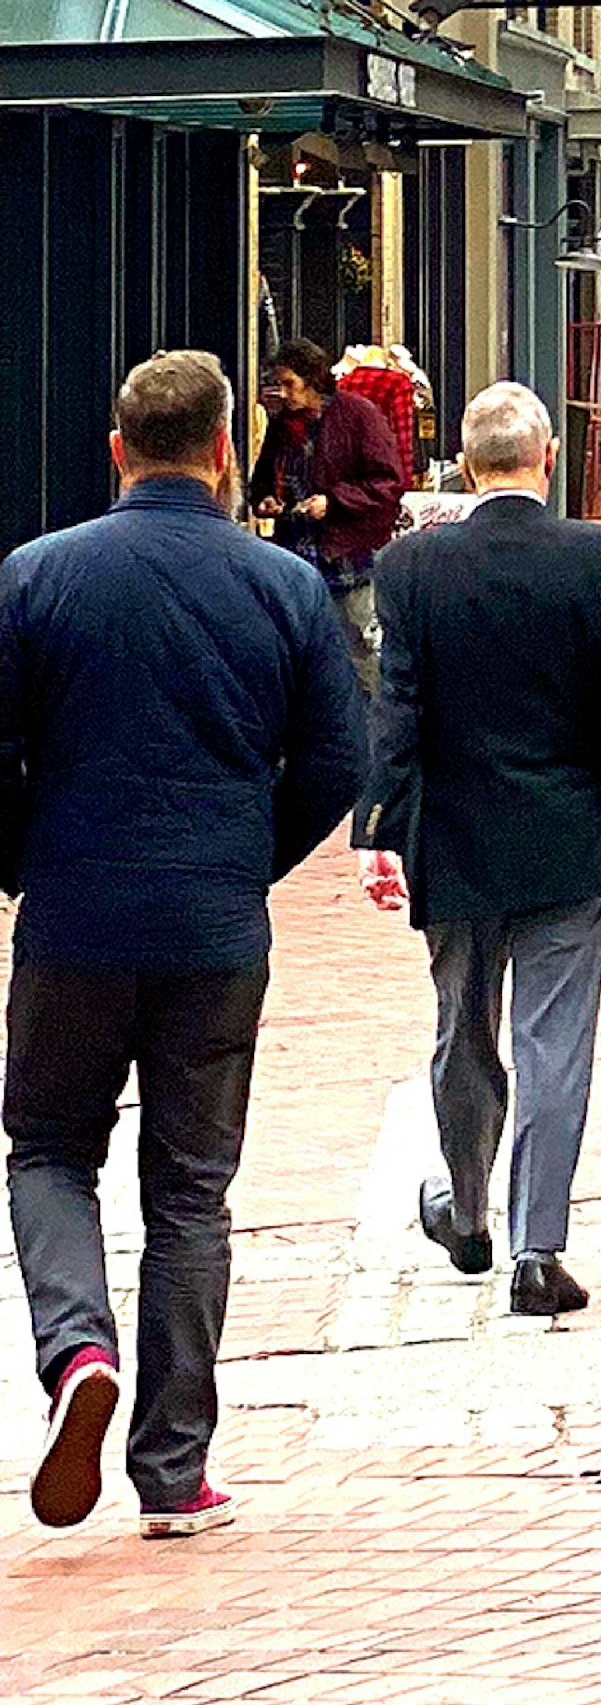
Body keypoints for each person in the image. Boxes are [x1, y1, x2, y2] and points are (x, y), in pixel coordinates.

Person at [0, 347, 366, 1539]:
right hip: (214, 926)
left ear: (118, 449)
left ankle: (76, 1347)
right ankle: (174, 1469)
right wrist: (245, 855)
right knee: (191, 1194)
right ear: (222, 451)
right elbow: (335, 761)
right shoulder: (280, 585)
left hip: (74, 917)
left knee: (50, 1144)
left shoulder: (37, 577)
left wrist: (26, 858)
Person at [357, 382, 601, 1320]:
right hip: (571, 838)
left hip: (453, 840)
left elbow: (396, 712)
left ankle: (466, 1210)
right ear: (549, 459)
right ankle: (538, 1246)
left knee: (463, 1027)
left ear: (462, 464)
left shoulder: (410, 568)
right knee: (553, 1043)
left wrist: (383, 827)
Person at [249, 336, 412, 690]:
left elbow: (389, 482)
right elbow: (261, 480)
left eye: (289, 383)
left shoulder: (357, 415)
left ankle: (367, 732)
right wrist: (264, 499)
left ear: (311, 380)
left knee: (357, 656)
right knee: (296, 657)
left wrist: (335, 502)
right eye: (278, 383)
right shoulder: (281, 426)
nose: (283, 392)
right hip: (294, 557)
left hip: (345, 561)